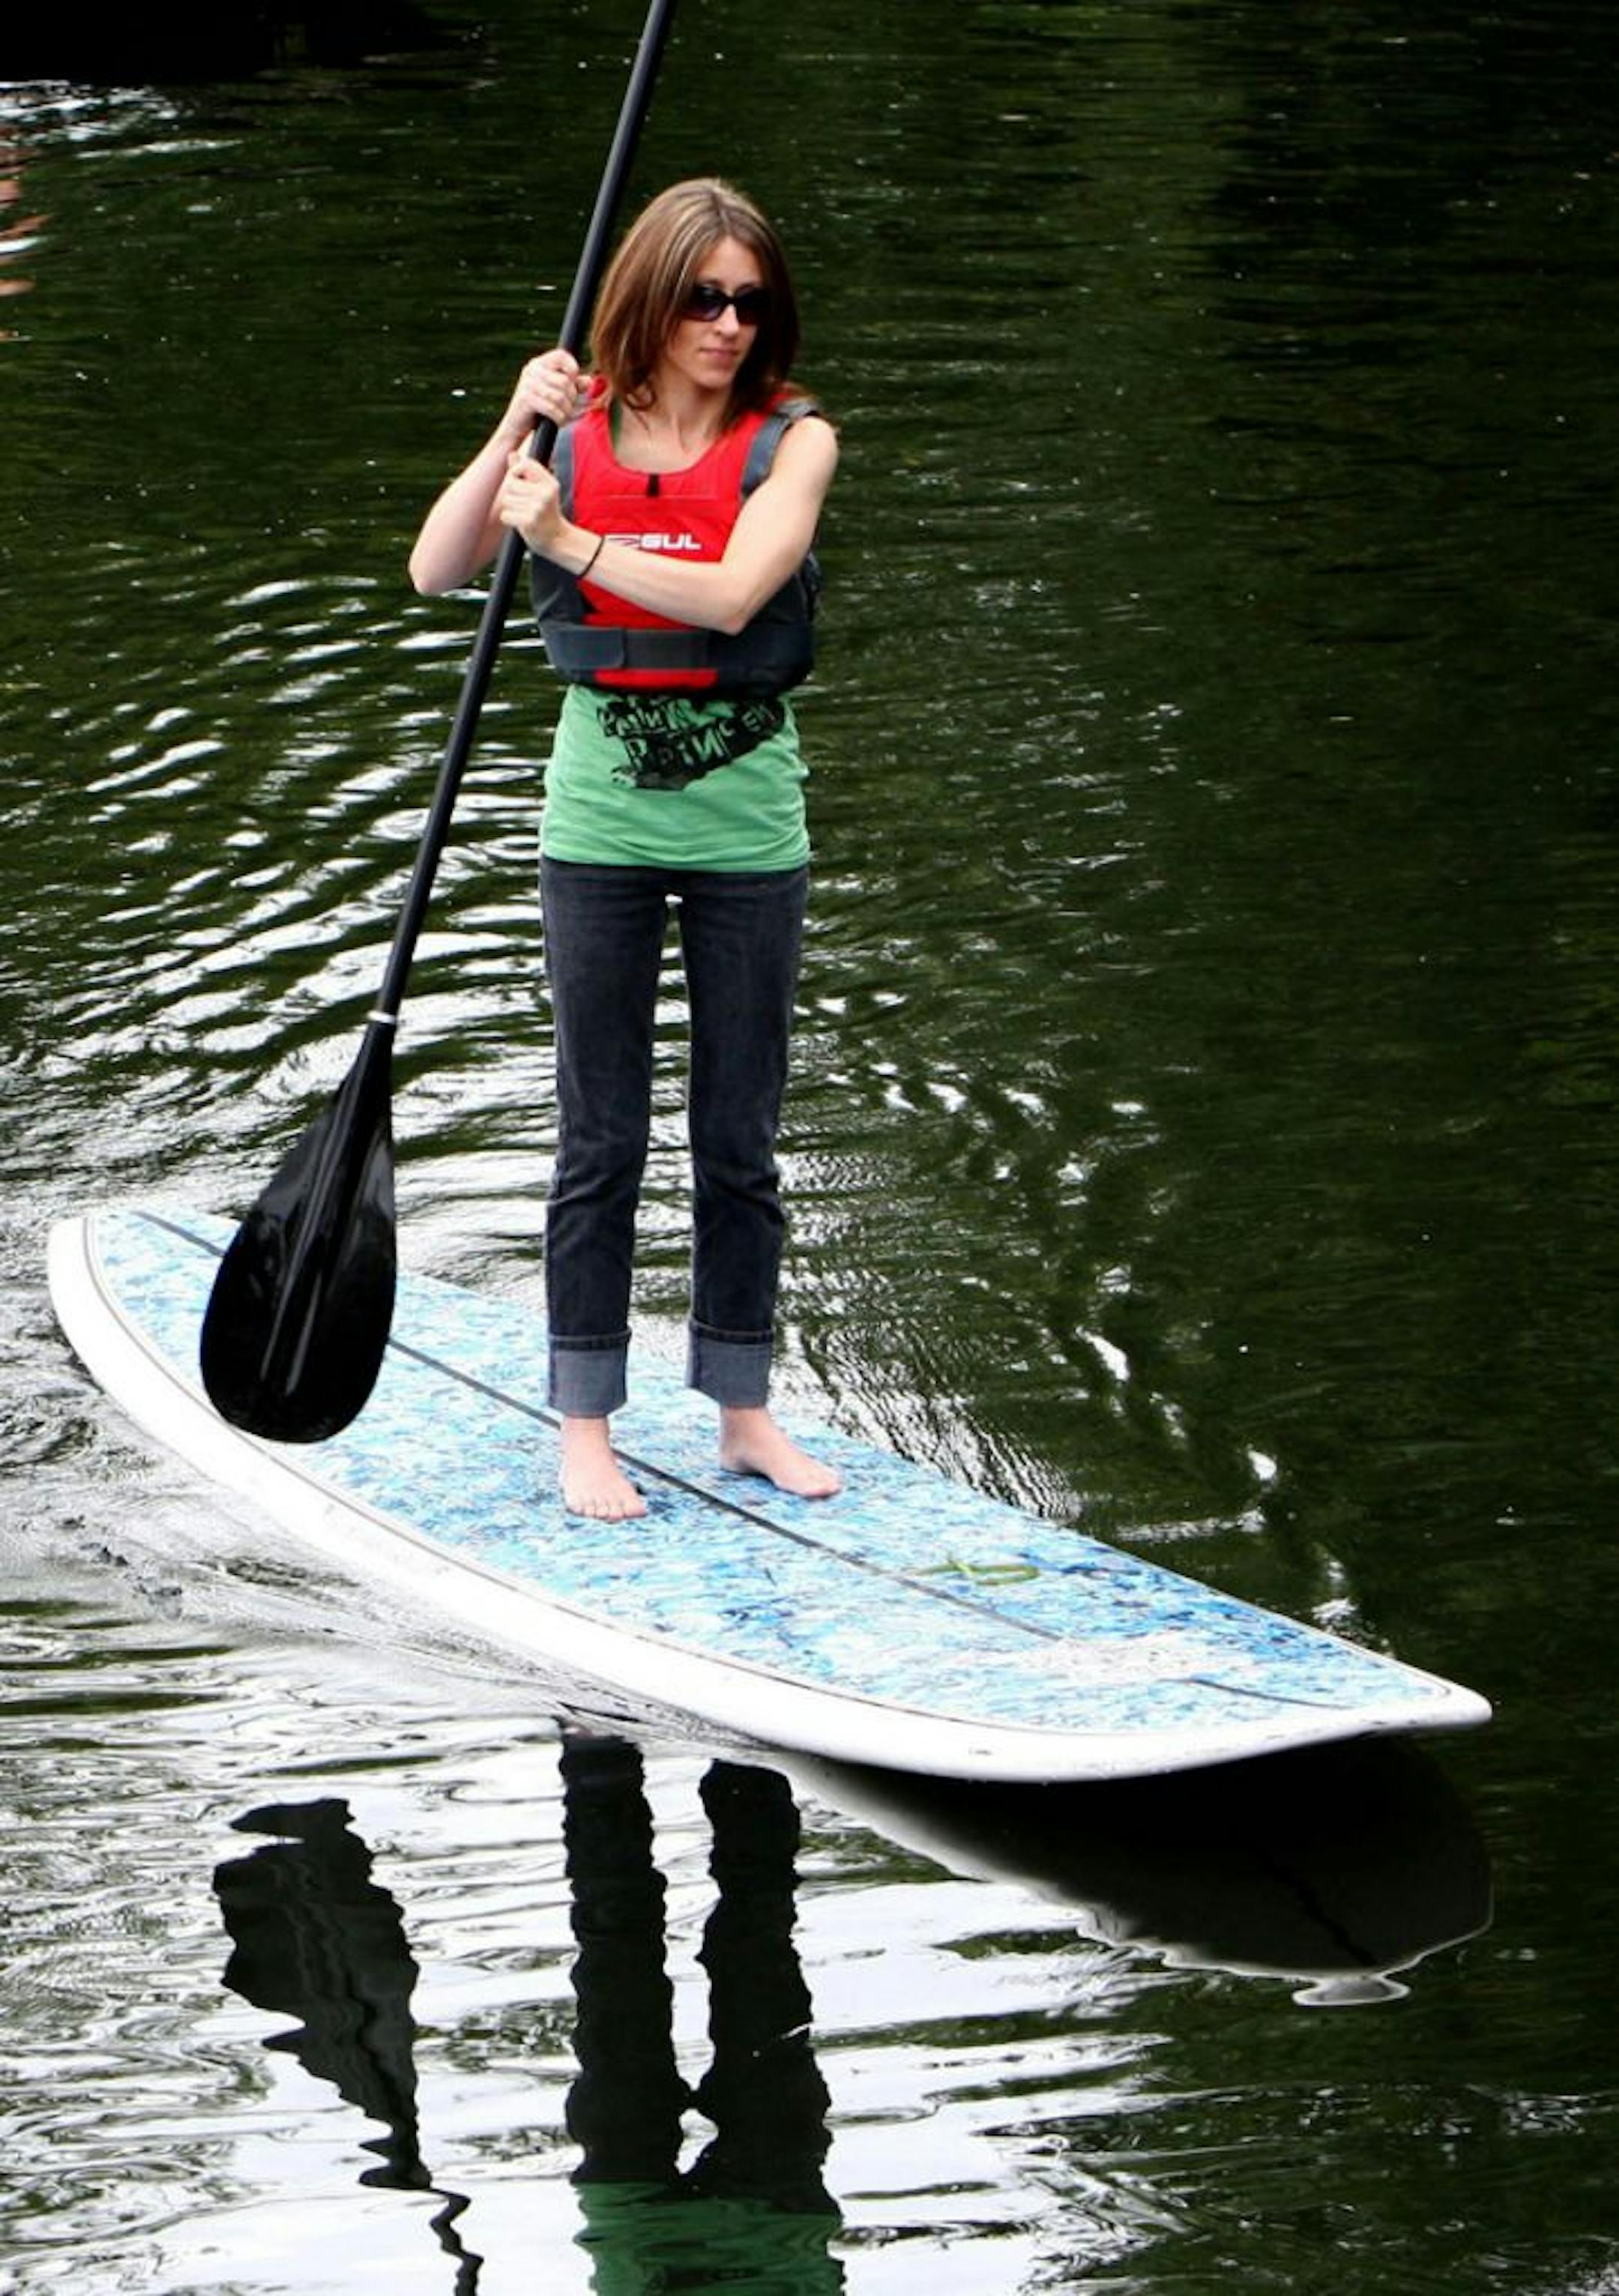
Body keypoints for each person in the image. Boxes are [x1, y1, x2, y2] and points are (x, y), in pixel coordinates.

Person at [409, 178, 841, 1521]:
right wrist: (514, 430)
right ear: (650, 299)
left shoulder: (795, 442)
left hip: (748, 829)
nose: (728, 323)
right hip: (597, 827)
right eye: (705, 297)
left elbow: (724, 599)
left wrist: (572, 536)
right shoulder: (570, 433)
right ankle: (586, 1421)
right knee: (600, 1138)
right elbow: (436, 569)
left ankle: (743, 1411)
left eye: (750, 301)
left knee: (740, 1137)